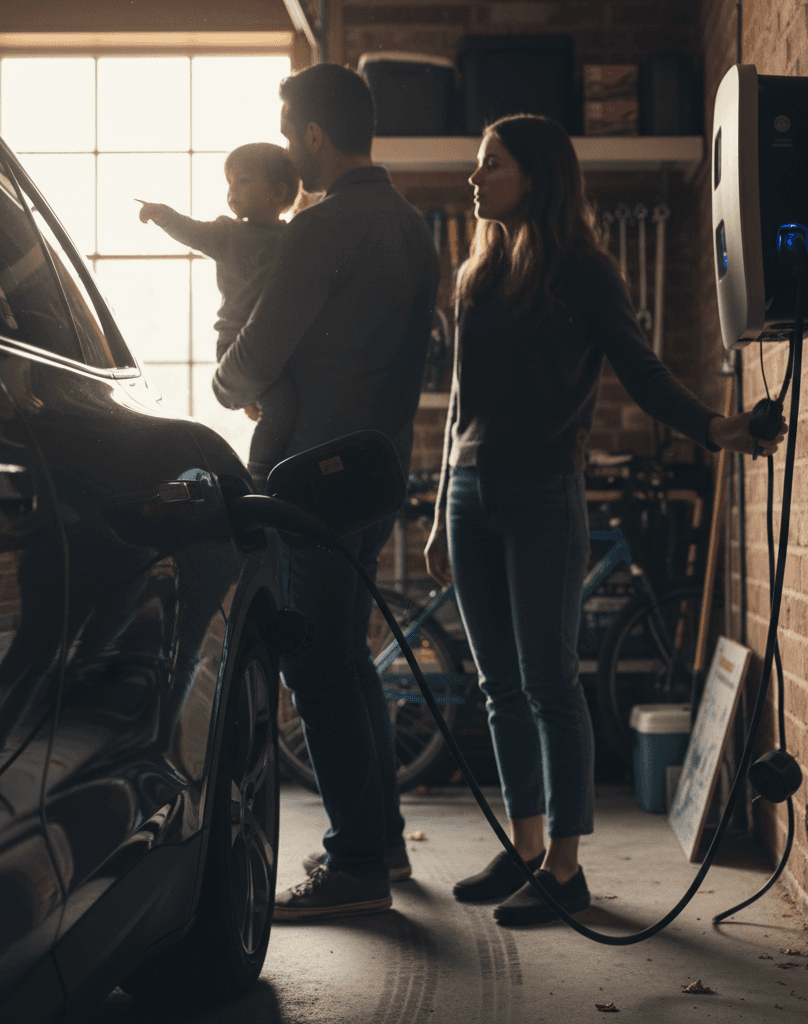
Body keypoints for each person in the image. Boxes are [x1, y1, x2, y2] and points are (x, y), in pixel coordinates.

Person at [424, 114, 787, 927]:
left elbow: (643, 372)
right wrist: (441, 511)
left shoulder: (586, 273)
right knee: (498, 687)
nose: (475, 179)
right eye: (477, 165)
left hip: (542, 495)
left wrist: (720, 429)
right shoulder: (474, 274)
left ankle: (565, 868)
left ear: (539, 176)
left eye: (492, 166)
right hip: (470, 495)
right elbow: (460, 399)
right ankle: (522, 847)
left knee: (551, 684)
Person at [212, 64, 440, 920]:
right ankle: (378, 838)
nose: (287, 145)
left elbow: (255, 361)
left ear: (311, 133)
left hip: (306, 478)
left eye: (287, 128)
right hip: (374, 475)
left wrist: (223, 383)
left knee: (314, 663)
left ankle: (354, 866)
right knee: (347, 656)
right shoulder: (416, 230)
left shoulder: (320, 229)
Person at [138, 143, 300, 486]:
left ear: (277, 193)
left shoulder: (293, 239)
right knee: (282, 405)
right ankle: (258, 476)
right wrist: (165, 215)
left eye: (241, 181)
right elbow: (194, 231)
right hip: (236, 344)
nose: (231, 191)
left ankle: (266, 440)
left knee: (285, 402)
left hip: (274, 346)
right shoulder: (228, 233)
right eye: (229, 183)